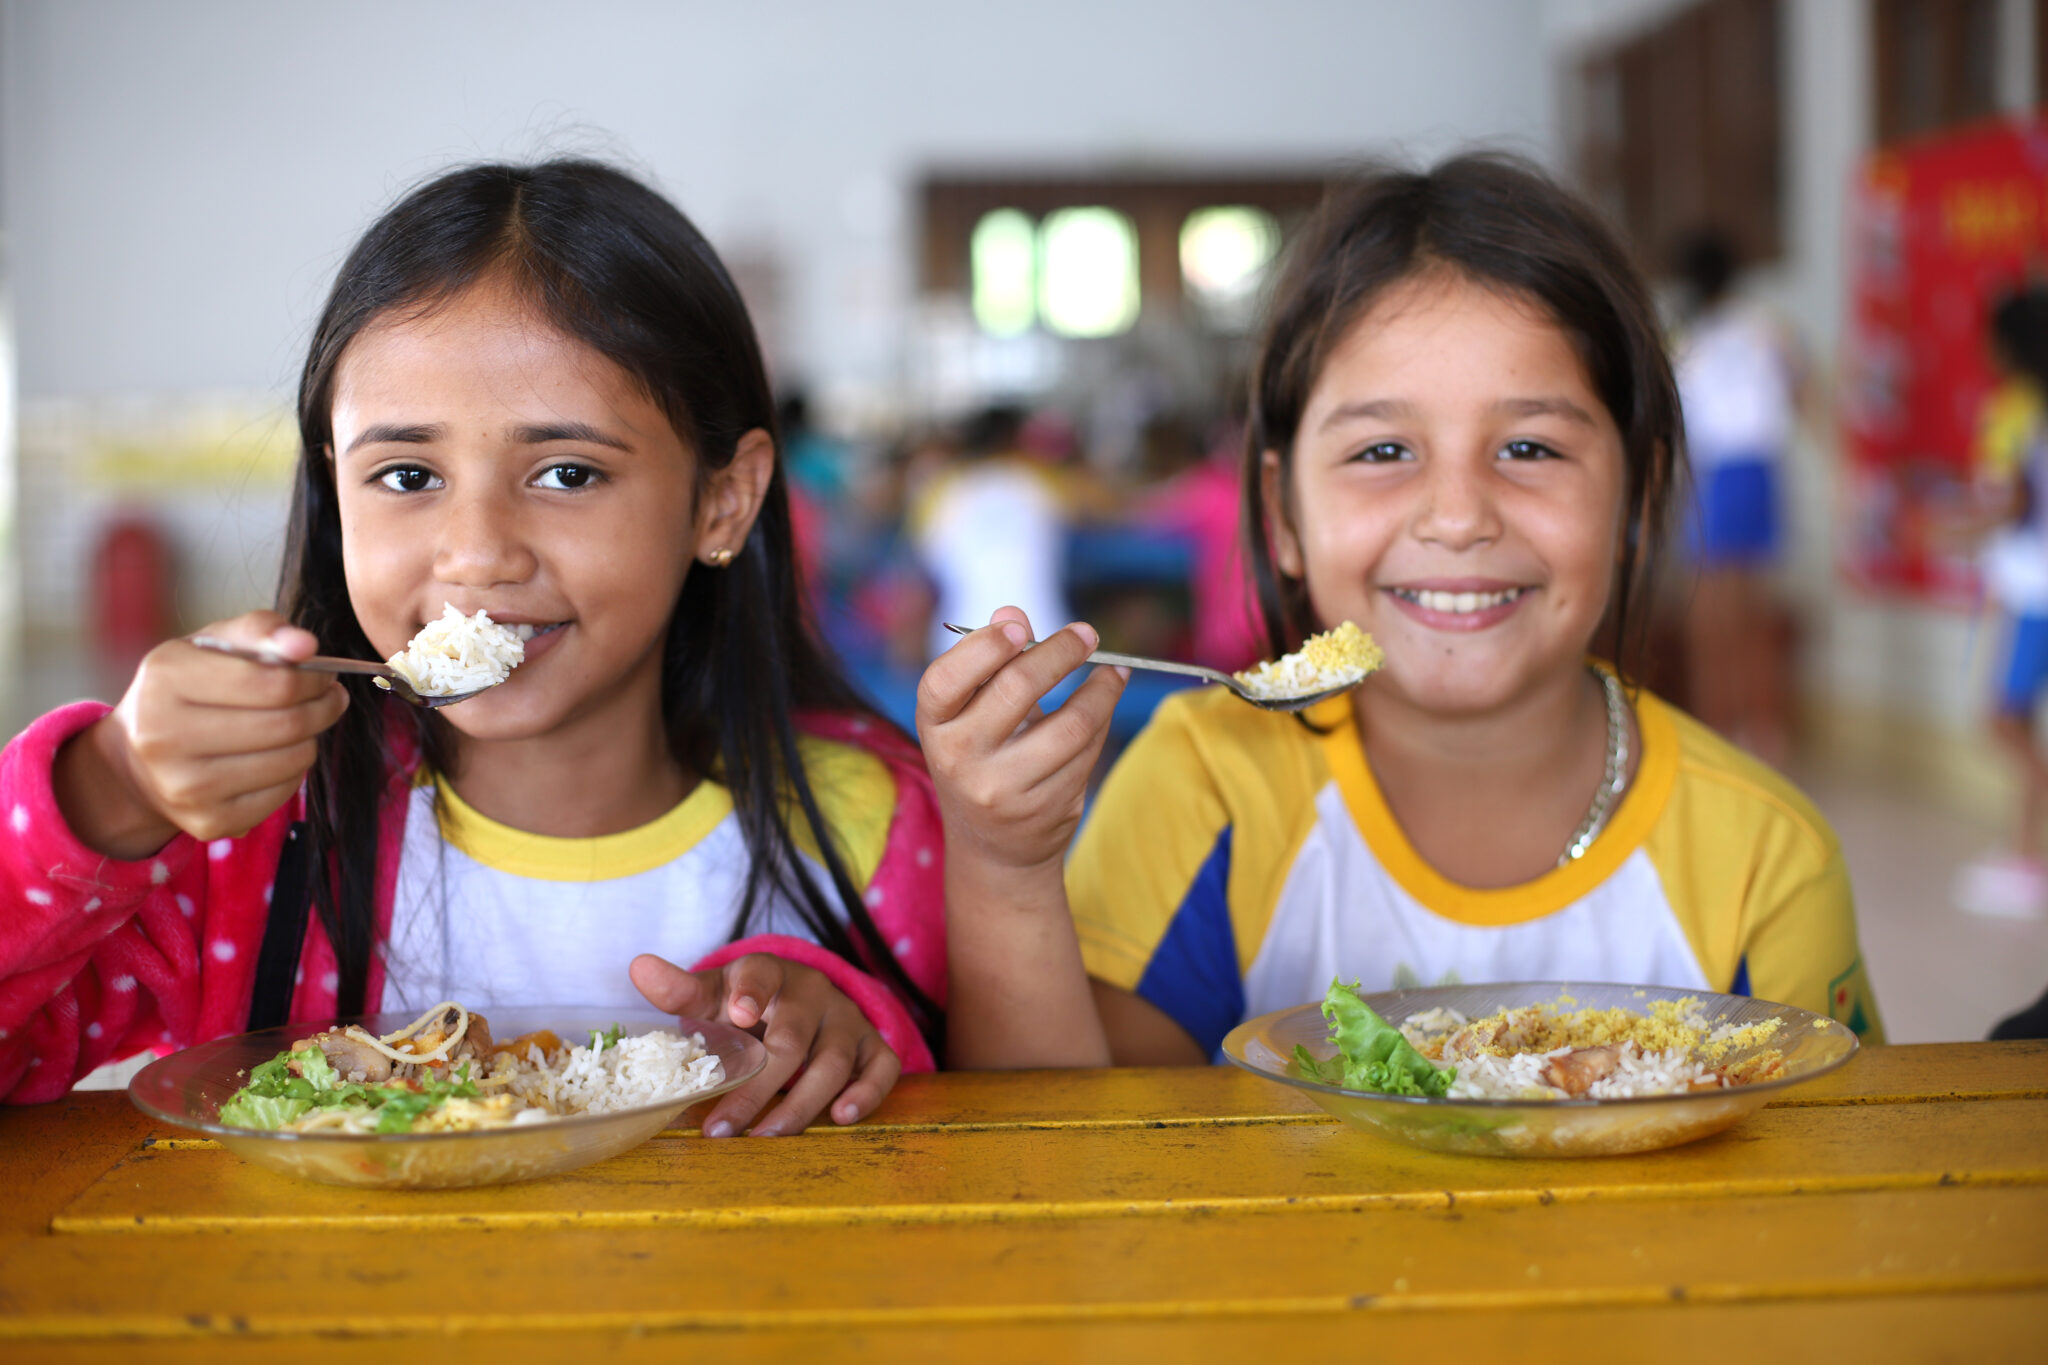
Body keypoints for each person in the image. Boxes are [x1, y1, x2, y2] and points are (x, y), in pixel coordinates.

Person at [0, 161, 945, 1131]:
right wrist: (106, 791)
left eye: (568, 473)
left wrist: (846, 1029)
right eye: (407, 477)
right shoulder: (244, 844)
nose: (479, 554)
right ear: (335, 494)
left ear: (721, 500)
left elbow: (984, 1135)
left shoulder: (866, 827)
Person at [920, 154, 1884, 1068]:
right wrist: (1004, 872)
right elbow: (1072, 1162)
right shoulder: (1204, 790)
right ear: (1281, 513)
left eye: (1532, 448)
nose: (1458, 517)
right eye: (1383, 452)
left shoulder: (1766, 861)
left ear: (1639, 499)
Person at [1671, 228, 1803, 766]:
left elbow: (1675, 424)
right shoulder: (1766, 328)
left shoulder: (1686, 337)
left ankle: (1716, 734)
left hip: (1715, 475)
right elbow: (1799, 391)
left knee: (1708, 620)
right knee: (1756, 613)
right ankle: (1765, 735)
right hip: (1762, 472)